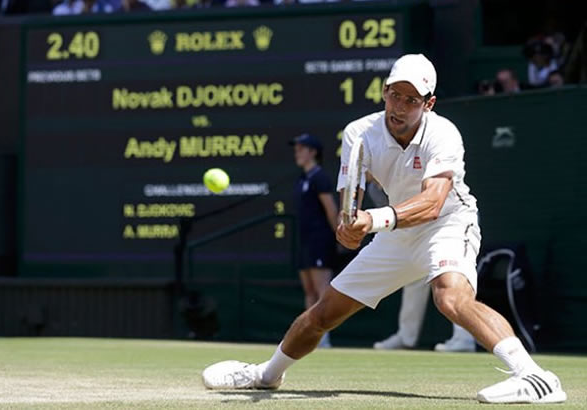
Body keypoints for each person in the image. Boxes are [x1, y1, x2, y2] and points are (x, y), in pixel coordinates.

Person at [202, 54, 567, 404]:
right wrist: (349, 227)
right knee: (325, 312)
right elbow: (350, 200)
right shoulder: (359, 133)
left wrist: (373, 220)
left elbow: (433, 202)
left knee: (450, 297)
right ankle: (267, 375)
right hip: (396, 231)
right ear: (384, 92)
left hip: (448, 223)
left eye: (411, 100)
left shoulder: (444, 133)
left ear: (429, 104)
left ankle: (535, 377)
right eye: (395, 95)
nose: (400, 106)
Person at [289, 133, 338, 348]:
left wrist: (339, 235)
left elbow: (331, 209)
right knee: (309, 291)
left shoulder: (320, 177)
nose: (297, 153)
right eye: (296, 149)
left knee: (322, 290)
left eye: (301, 149)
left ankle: (324, 337)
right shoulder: (302, 178)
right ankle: (310, 335)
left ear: (313, 152)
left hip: (320, 239)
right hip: (305, 241)